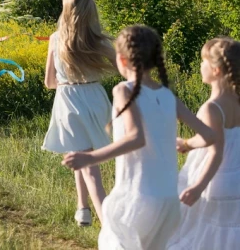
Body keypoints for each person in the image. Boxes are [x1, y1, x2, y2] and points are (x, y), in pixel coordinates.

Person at [63, 25, 216, 250]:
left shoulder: (124, 90)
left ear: (122, 60)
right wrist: (186, 144)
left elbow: (136, 138)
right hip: (168, 201)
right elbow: (210, 135)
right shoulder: (166, 95)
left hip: (137, 198)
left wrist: (90, 158)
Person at [42, 0, 117, 226]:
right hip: (96, 97)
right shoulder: (100, 40)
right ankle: (82, 208)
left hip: (69, 100)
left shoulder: (56, 39)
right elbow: (124, 70)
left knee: (89, 169)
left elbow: (49, 82)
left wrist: (67, 79)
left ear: (65, 10)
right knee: (79, 154)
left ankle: (110, 229)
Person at [168, 37, 240, 249]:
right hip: (236, 179)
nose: (200, 66)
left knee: (201, 235)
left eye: (203, 61)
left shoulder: (212, 108)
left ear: (216, 70)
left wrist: (198, 187)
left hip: (214, 181)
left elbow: (216, 152)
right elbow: (214, 137)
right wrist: (188, 143)